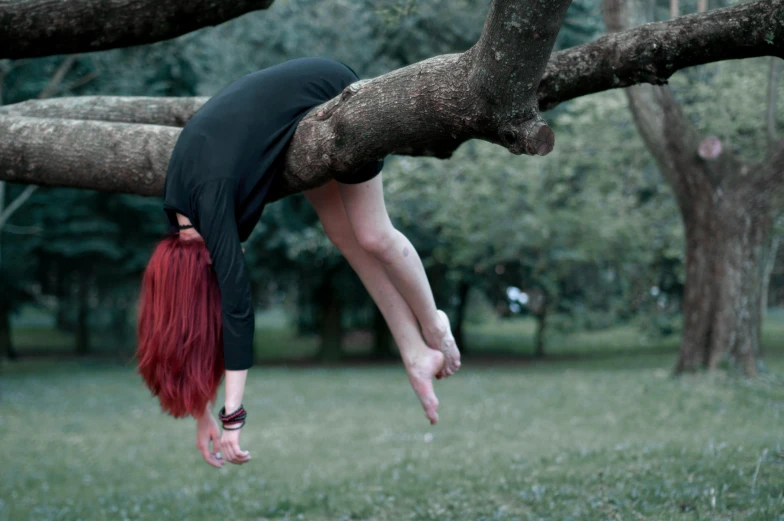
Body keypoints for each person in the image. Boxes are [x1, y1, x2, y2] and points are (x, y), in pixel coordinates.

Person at [136, 57, 461, 469]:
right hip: (286, 120)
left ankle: (435, 325)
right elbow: (189, 323)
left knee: (373, 234)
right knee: (345, 236)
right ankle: (415, 353)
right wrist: (201, 415)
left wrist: (231, 418)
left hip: (327, 86)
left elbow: (237, 312)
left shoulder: (210, 206)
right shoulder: (180, 215)